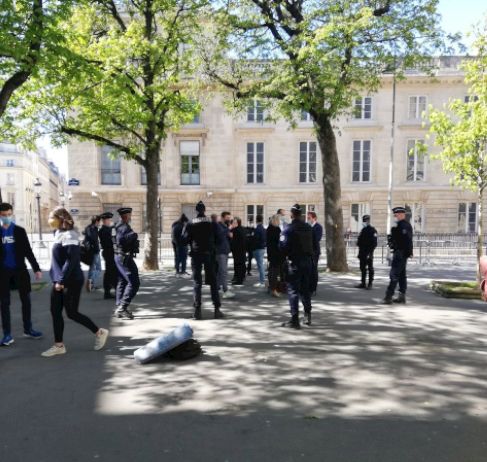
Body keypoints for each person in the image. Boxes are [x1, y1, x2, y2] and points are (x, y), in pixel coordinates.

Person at [41, 207, 109, 357]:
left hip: (71, 280)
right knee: (55, 312)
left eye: (53, 217)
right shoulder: (57, 233)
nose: (50, 220)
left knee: (72, 313)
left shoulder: (70, 235)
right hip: (58, 280)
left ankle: (99, 332)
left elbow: (72, 261)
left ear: (61, 218)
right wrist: (57, 279)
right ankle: (59, 345)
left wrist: (61, 280)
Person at [0, 202, 43, 346]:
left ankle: (28, 329)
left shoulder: (19, 231)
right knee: (4, 303)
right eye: (4, 215)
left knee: (26, 300)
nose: (7, 217)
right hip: (3, 272)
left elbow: (27, 251)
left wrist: (36, 268)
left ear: (12, 214)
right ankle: (7, 335)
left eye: (8, 215)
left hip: (20, 271)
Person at [182, 201, 223, 320]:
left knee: (197, 282)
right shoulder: (212, 223)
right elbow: (220, 239)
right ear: (204, 210)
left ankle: (197, 311)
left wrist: (191, 241)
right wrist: (212, 245)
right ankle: (217, 309)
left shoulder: (190, 223)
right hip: (209, 254)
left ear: (196, 211)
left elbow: (183, 240)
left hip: (196, 254)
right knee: (213, 282)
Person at [279, 204, 314, 329]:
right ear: (302, 214)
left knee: (293, 291)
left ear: (292, 214)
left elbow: (282, 247)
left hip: (295, 263)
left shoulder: (289, 229)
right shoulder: (308, 228)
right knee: (305, 290)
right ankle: (307, 315)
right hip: (308, 262)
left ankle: (295, 319)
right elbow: (314, 245)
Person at [382, 206, 413, 304]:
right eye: (395, 215)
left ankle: (388, 297)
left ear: (402, 214)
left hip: (400, 253)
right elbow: (408, 241)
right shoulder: (405, 225)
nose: (395, 217)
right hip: (402, 253)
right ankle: (401, 296)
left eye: (396, 215)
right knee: (402, 275)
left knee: (394, 275)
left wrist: (393, 242)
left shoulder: (402, 226)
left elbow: (406, 241)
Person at [113, 207, 140, 319]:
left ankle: (120, 305)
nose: (131, 217)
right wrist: (133, 235)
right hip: (124, 257)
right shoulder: (123, 227)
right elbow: (121, 240)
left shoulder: (116, 226)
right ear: (127, 216)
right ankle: (122, 308)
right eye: (130, 215)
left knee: (123, 281)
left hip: (119, 256)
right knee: (134, 283)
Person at [215, 211, 235, 299]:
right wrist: (228, 229)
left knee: (220, 272)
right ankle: (225, 290)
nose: (229, 219)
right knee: (223, 272)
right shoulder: (218, 225)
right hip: (220, 252)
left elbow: (224, 238)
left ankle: (217, 288)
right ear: (223, 217)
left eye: (229, 218)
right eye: (227, 218)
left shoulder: (224, 226)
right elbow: (219, 235)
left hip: (225, 251)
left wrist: (229, 236)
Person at [355, 214, 378, 290]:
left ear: (368, 221)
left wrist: (369, 253)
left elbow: (374, 243)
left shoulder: (372, 230)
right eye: (364, 221)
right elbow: (359, 242)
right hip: (362, 252)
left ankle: (370, 283)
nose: (364, 222)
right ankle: (363, 283)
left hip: (368, 253)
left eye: (365, 220)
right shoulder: (363, 230)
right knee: (362, 268)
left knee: (370, 268)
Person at [98, 212, 117, 299]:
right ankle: (110, 291)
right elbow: (110, 242)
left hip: (108, 252)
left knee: (110, 272)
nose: (110, 221)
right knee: (111, 272)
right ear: (105, 220)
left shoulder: (105, 229)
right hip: (109, 253)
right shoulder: (105, 230)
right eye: (109, 219)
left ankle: (109, 291)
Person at [266, 214, 286, 297]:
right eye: (278, 220)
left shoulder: (269, 229)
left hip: (271, 252)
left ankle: (271, 287)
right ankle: (274, 289)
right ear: (276, 221)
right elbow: (280, 241)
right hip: (276, 254)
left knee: (271, 271)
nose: (279, 222)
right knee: (275, 272)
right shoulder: (276, 229)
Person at [307, 211, 323, 295]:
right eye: (307, 218)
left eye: (309, 218)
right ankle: (308, 287)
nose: (308, 219)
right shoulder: (307, 227)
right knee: (308, 270)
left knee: (313, 270)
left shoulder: (318, 227)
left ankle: (313, 288)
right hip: (308, 251)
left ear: (314, 218)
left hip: (314, 252)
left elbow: (317, 239)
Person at [84, 215, 101, 292]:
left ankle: (91, 283)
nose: (99, 223)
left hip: (94, 250)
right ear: (96, 221)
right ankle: (90, 282)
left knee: (94, 268)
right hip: (94, 251)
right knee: (97, 268)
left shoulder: (89, 228)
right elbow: (93, 238)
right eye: (99, 222)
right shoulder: (92, 228)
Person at [230, 217, 247, 285]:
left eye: (234, 223)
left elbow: (234, 241)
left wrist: (231, 238)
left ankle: (239, 281)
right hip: (241, 250)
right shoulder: (242, 229)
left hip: (238, 250)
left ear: (238, 223)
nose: (233, 224)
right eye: (232, 223)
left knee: (239, 265)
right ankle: (241, 278)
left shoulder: (235, 230)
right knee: (241, 265)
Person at [253, 214, 267, 287]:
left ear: (256, 220)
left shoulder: (258, 229)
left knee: (260, 265)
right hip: (262, 248)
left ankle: (262, 282)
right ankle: (262, 281)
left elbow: (256, 239)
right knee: (261, 265)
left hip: (258, 248)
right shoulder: (263, 229)